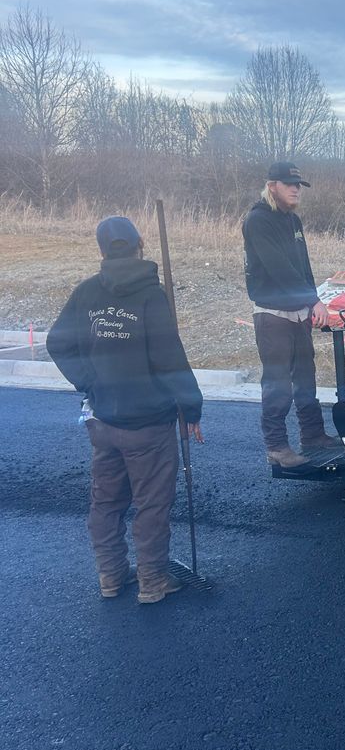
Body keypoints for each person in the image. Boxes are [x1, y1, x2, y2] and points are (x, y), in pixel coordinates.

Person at [46, 216, 204, 605]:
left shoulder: (86, 292)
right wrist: (192, 407)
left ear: (102, 249)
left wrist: (89, 381)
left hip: (102, 420)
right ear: (139, 244)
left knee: (106, 500)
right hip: (148, 425)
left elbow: (57, 343)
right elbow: (170, 359)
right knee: (151, 504)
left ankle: (111, 576)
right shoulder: (152, 296)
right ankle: (152, 582)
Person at [242, 160, 338, 468]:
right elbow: (279, 268)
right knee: (278, 382)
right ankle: (276, 446)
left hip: (298, 312)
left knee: (306, 378)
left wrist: (314, 300)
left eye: (299, 185)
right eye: (290, 184)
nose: (297, 189)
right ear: (272, 186)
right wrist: (313, 301)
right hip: (272, 314)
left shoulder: (292, 221)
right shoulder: (258, 220)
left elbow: (302, 266)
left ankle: (312, 434)